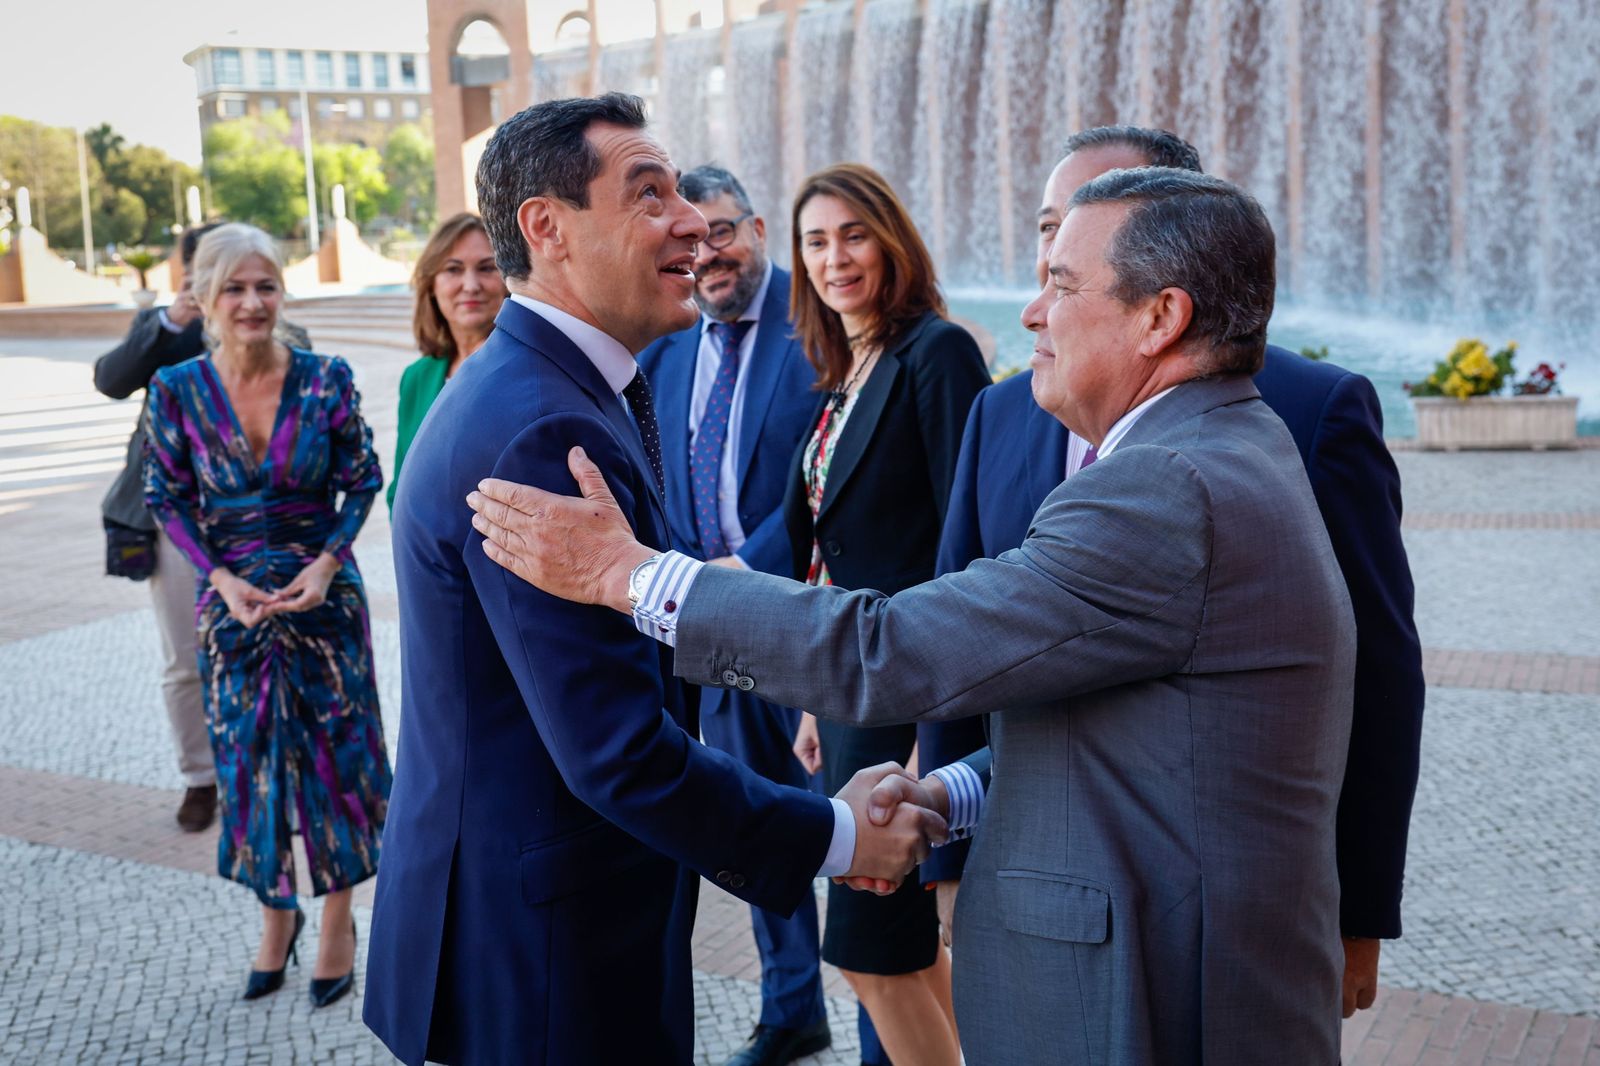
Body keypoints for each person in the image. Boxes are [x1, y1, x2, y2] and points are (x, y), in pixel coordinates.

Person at [470, 167, 1360, 1064]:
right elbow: (1133, 721)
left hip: (1162, 999)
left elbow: (891, 650)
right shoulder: (1218, 443)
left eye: (1061, 282)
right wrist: (951, 793)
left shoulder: (1166, 484)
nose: (1032, 313)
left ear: (1160, 318)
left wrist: (636, 577)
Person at [361, 94, 944, 1066]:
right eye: (649, 195)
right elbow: (616, 752)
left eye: (681, 192)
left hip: (540, 919)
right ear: (546, 228)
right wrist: (840, 836)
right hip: (545, 951)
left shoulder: (553, 390)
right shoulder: (543, 429)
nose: (688, 222)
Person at [919, 126, 1426, 1021]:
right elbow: (957, 630)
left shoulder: (1308, 409)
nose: (1053, 259)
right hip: (1039, 882)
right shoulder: (1001, 410)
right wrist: (952, 857)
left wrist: (1354, 914)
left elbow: (1374, 672)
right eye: (1049, 228)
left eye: (1092, 227)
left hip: (1218, 923)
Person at [141, 222, 389, 1008]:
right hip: (235, 612)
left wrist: (325, 565)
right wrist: (217, 575)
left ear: (282, 292)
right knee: (249, 766)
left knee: (340, 764)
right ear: (206, 299)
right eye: (235, 289)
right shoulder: (175, 390)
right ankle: (275, 914)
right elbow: (165, 496)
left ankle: (339, 920)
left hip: (323, 605)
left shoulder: (326, 378)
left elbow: (364, 478)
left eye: (266, 286)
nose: (253, 302)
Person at [775, 162, 988, 1066]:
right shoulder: (842, 371)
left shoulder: (935, 354)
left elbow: (967, 552)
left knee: (868, 955)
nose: (836, 258)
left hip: (907, 696)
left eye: (853, 235)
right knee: (901, 952)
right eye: (816, 242)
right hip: (851, 698)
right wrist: (815, 703)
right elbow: (828, 555)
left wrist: (924, 742)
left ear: (891, 239)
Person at [637, 164, 833, 1066]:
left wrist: (741, 573)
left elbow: (835, 486)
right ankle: (793, 1007)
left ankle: (889, 1024)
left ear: (756, 227)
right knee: (749, 828)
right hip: (693, 628)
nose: (706, 253)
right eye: (691, 237)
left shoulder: (819, 322)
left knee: (852, 827)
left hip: (804, 621)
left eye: (722, 231)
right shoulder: (667, 341)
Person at [93, 222, 310, 832]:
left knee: (275, 646)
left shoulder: (277, 327)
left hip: (264, 518)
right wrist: (172, 323)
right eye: (217, 280)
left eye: (257, 283)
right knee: (185, 659)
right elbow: (111, 379)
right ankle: (200, 778)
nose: (243, 297)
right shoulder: (166, 330)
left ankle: (275, 771)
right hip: (177, 519)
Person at [387, 211, 506, 509]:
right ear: (431, 285)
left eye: (487, 268)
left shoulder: (530, 369)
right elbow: (400, 490)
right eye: (453, 269)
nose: (470, 285)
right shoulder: (417, 377)